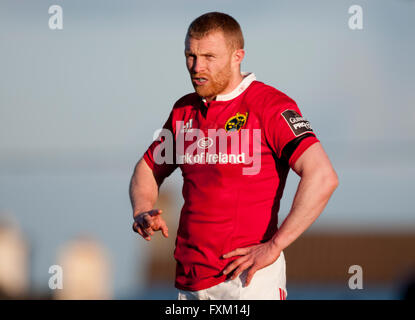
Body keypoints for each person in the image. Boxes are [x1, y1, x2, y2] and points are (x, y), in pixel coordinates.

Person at [129, 12, 338, 300]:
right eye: (190, 55)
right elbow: (148, 168)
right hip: (190, 283)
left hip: (249, 281)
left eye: (209, 57)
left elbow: (323, 176)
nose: (196, 66)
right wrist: (142, 208)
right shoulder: (184, 111)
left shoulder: (270, 105)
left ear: (237, 56)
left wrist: (275, 246)